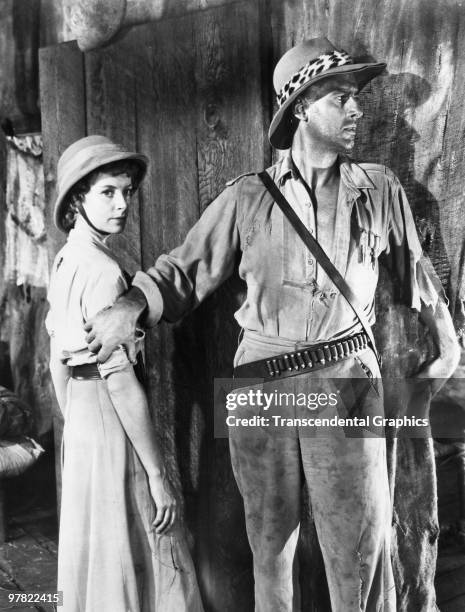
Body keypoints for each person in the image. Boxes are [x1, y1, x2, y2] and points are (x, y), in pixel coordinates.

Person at [83, 40, 460, 611]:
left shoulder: (377, 189)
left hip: (345, 382)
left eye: (356, 99)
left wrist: (447, 345)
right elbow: (183, 271)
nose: (357, 110)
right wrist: (129, 308)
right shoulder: (247, 198)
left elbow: (418, 278)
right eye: (342, 98)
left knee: (358, 555)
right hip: (260, 386)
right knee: (269, 550)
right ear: (303, 106)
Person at [46, 135, 204, 612]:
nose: (121, 205)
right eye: (107, 193)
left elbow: (55, 360)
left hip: (81, 418)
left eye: (126, 192)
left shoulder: (65, 258)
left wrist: (76, 422)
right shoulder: (102, 271)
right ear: (78, 200)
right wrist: (159, 475)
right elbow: (119, 380)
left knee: (98, 541)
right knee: (146, 525)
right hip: (111, 417)